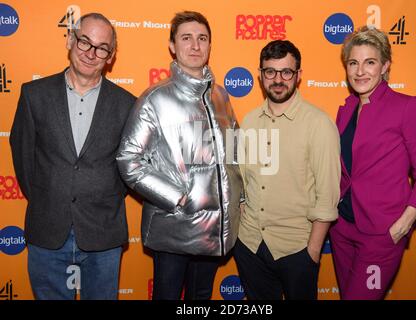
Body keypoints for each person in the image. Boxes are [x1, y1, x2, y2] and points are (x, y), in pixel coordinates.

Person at [116, 11, 243, 300]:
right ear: (172, 45)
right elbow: (129, 161)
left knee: (200, 298)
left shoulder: (221, 96)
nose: (195, 46)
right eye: (186, 38)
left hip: (214, 229)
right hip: (173, 228)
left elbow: (234, 152)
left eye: (202, 39)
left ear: (210, 45)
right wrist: (178, 198)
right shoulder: (154, 99)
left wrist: (240, 197)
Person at [9, 13, 136, 300]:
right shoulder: (34, 95)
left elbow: (132, 167)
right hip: (47, 229)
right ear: (70, 40)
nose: (91, 53)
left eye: (102, 48)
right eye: (84, 42)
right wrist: (50, 194)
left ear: (111, 56)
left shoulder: (128, 104)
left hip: (103, 231)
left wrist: (101, 193)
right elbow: (23, 157)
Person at [329, 26, 416, 300]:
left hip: (381, 234)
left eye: (370, 62)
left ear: (385, 65)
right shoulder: (346, 109)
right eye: (353, 63)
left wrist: (403, 225)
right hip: (342, 229)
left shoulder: (407, 107)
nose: (360, 72)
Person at [234, 40, 340, 300]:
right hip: (250, 245)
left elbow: (327, 195)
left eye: (286, 72)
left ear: (298, 75)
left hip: (297, 250)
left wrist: (312, 252)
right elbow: (243, 180)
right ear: (260, 75)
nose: (278, 79)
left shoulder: (319, 124)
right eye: (270, 71)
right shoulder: (248, 122)